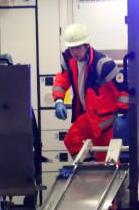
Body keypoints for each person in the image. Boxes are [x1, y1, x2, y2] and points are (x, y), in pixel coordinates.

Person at [52, 23, 129, 158]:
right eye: (71, 48)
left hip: (106, 119)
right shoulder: (69, 62)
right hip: (91, 116)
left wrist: (122, 114)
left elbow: (124, 88)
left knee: (108, 158)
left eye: (78, 47)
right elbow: (61, 81)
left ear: (86, 45)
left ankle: (91, 169)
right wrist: (59, 100)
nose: (75, 52)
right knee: (73, 140)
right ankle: (88, 169)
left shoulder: (103, 64)